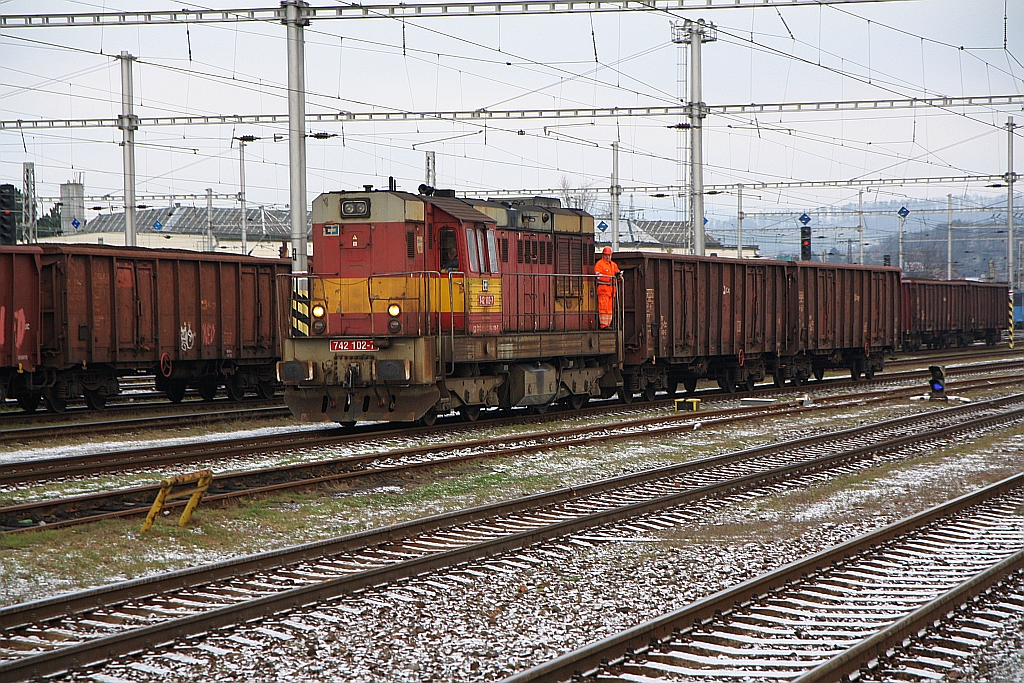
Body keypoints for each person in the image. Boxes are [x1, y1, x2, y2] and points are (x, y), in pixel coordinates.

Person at [594, 246, 620, 329]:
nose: (608, 257)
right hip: (603, 290)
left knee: (609, 309)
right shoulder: (599, 264)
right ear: (603, 255)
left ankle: (608, 324)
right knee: (603, 308)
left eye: (609, 255)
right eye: (606, 255)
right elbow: (598, 276)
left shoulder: (613, 265)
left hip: (611, 291)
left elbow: (617, 273)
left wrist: (619, 276)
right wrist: (609, 278)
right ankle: (603, 325)